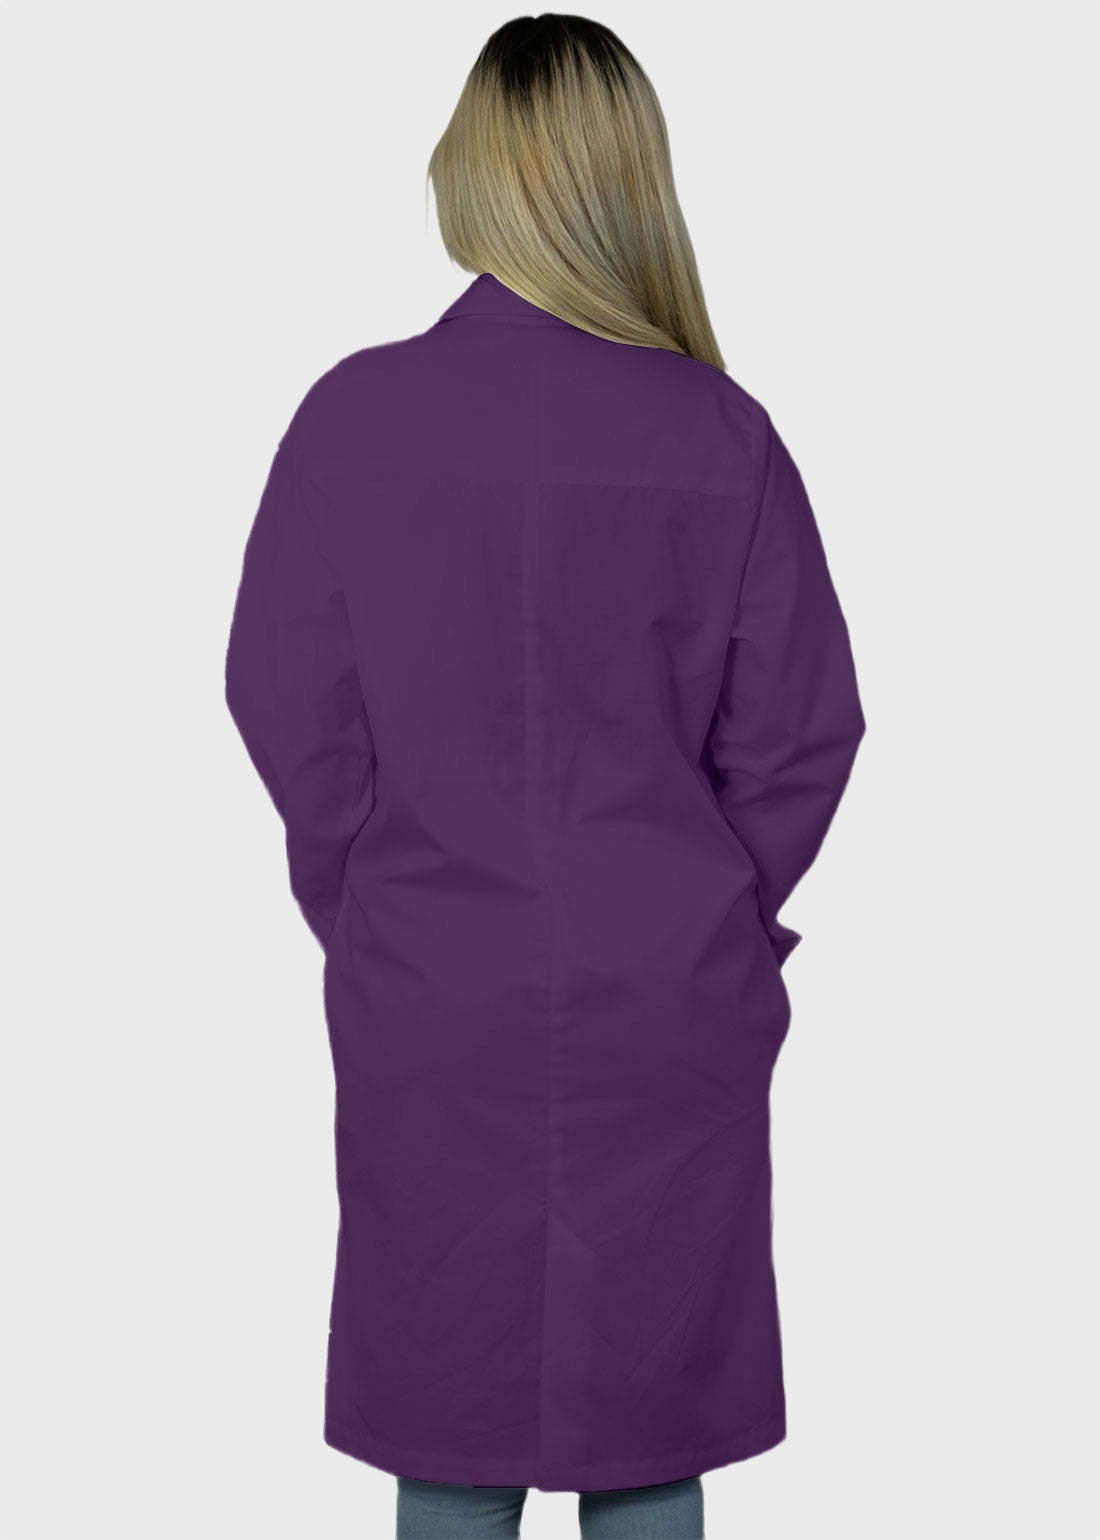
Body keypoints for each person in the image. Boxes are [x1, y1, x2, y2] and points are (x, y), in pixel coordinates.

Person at [224, 14, 866, 1539]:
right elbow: (798, 736)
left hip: (430, 989)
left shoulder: (352, 419)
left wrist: (376, 905)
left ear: (473, 171)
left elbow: (289, 706)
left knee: (447, 1433)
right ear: (631, 179)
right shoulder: (723, 435)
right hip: (668, 996)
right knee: (652, 1437)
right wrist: (703, 913)